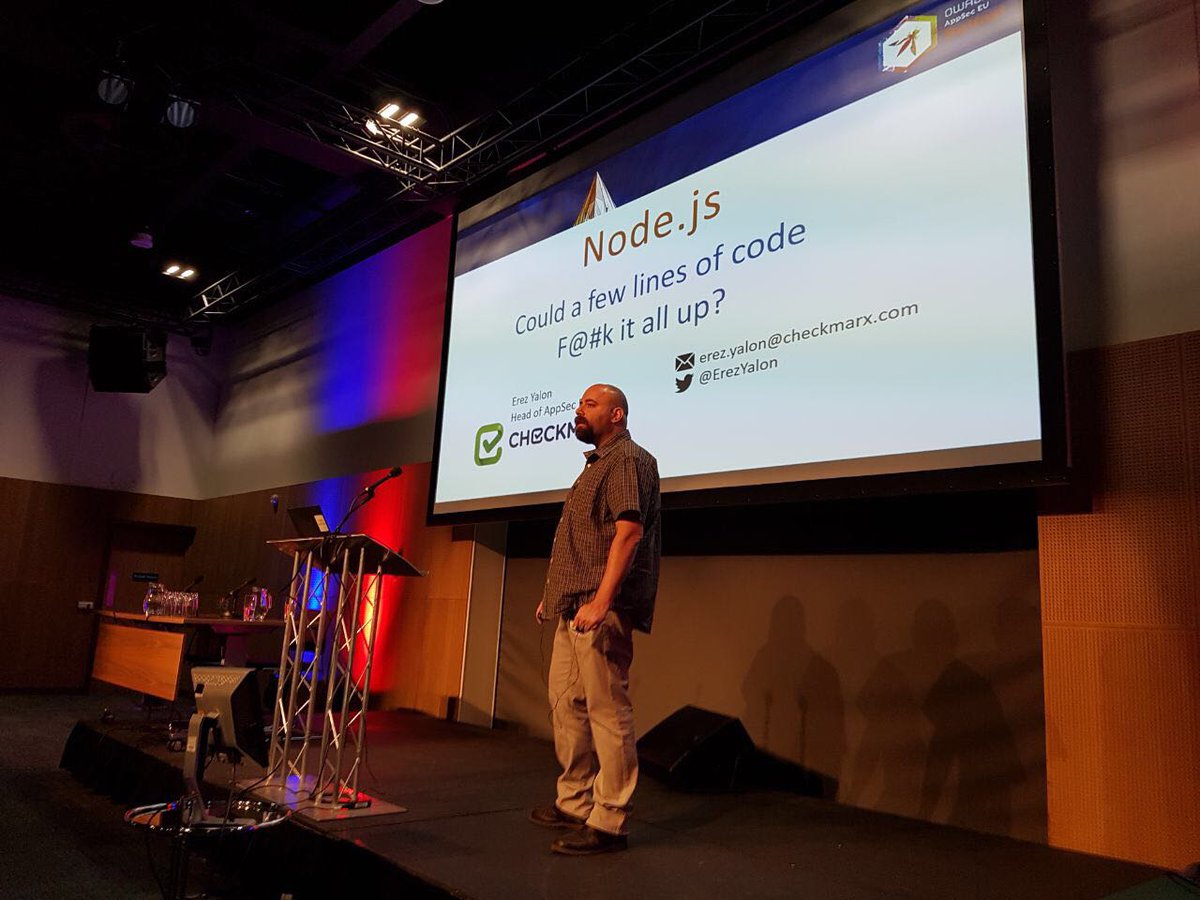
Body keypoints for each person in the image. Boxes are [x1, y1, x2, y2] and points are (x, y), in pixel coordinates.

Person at [530, 383, 661, 856]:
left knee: (608, 711)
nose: (578, 410)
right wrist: (553, 595)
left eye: (590, 404)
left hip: (599, 607)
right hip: (573, 603)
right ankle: (575, 801)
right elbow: (584, 539)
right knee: (566, 704)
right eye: (580, 403)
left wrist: (603, 601)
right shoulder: (596, 464)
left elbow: (629, 533)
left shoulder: (626, 459)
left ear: (617, 414)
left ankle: (610, 820)